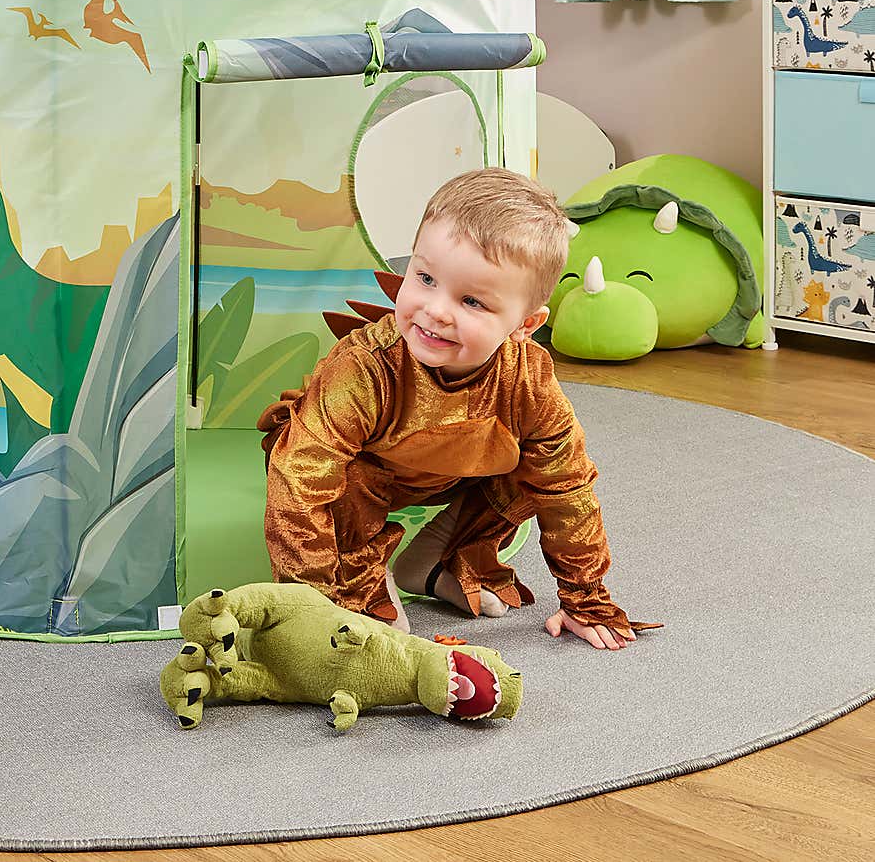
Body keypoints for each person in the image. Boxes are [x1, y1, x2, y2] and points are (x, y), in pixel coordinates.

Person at [258, 167, 651, 651]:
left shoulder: (528, 381)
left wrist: (584, 597)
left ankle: (443, 556)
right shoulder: (365, 367)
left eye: (472, 302)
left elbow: (567, 489)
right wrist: (313, 608)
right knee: (337, 474)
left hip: (456, 471)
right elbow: (300, 478)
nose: (436, 311)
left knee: (545, 468)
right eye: (424, 278)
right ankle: (358, 575)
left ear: (525, 325)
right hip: (362, 477)